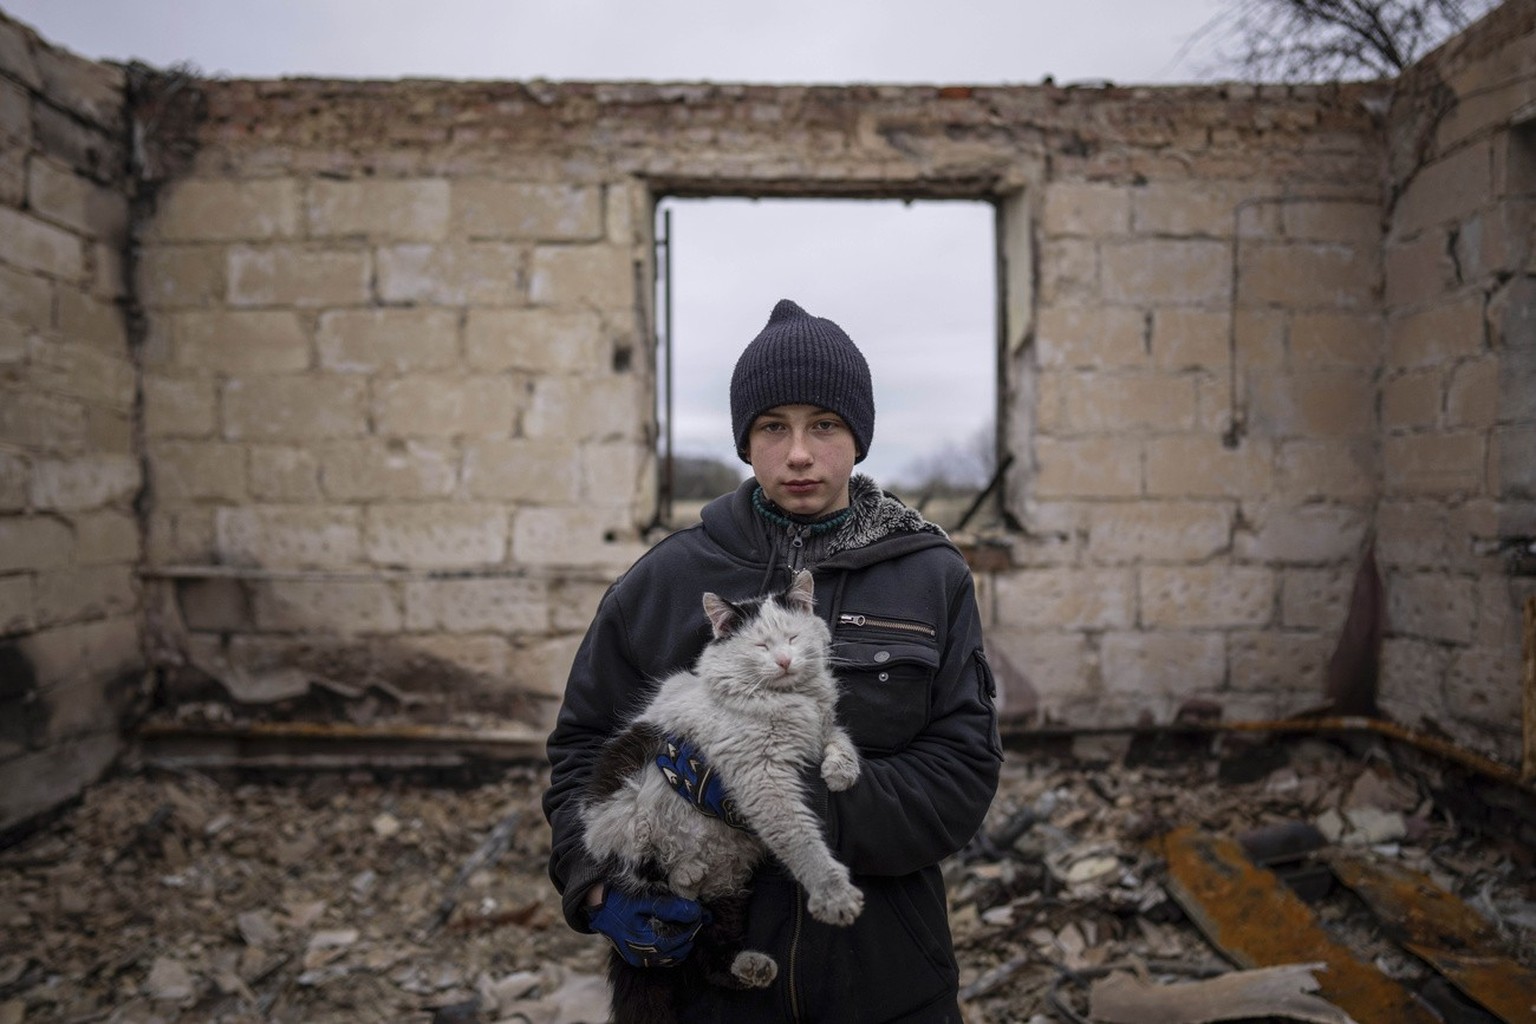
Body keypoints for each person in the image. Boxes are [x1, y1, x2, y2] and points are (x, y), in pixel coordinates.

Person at [542, 298, 1002, 1023]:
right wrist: (596, 885)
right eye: (771, 427)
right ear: (744, 441)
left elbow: (961, 771)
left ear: (859, 436)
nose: (797, 453)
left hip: (880, 981)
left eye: (823, 425)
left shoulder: (930, 577)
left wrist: (787, 799)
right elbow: (580, 746)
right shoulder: (664, 582)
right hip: (700, 987)